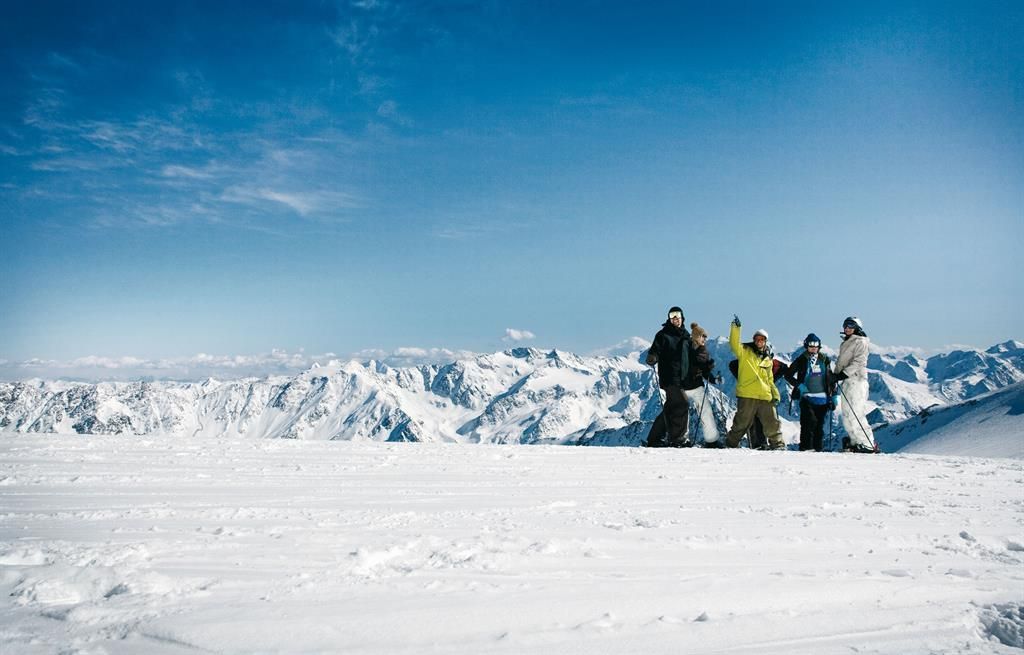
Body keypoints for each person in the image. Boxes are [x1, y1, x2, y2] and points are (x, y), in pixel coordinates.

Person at [724, 316, 785, 450]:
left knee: (772, 422)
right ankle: (730, 444)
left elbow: (769, 379)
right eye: (757, 339)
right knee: (741, 423)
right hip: (747, 394)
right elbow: (734, 343)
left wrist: (775, 394)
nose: (759, 341)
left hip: (765, 395)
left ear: (765, 341)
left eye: (762, 339)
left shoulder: (768, 359)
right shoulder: (745, 352)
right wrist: (736, 328)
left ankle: (778, 445)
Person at [643, 306, 692, 448]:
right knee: (682, 403)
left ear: (682, 318)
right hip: (669, 377)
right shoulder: (663, 335)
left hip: (682, 378)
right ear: (669, 319)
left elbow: (690, 356)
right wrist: (652, 357)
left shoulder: (686, 336)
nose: (675, 318)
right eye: (672, 316)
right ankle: (678, 439)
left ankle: (654, 439)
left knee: (670, 408)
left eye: (678, 315)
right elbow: (655, 350)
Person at [785, 333, 839, 452]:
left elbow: (830, 379)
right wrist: (799, 385)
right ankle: (806, 448)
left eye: (816, 345)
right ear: (806, 346)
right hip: (806, 398)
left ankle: (817, 450)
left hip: (823, 399)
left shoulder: (824, 360)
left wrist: (834, 395)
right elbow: (788, 375)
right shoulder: (801, 360)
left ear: (819, 346)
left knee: (819, 426)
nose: (813, 347)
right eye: (811, 345)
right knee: (808, 423)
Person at [833, 316, 876, 453]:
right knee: (847, 414)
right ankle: (855, 442)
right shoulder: (847, 342)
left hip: (857, 380)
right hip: (847, 381)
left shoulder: (860, 341)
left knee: (856, 412)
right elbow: (842, 362)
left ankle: (867, 443)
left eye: (851, 325)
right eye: (845, 325)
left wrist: (842, 374)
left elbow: (859, 362)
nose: (847, 328)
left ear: (857, 327)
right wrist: (835, 375)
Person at [683, 322, 721, 447]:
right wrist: (707, 365)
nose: (705, 339)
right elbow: (697, 362)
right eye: (703, 336)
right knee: (682, 413)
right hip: (685, 386)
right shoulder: (686, 347)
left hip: (695, 385)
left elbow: (704, 371)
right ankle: (681, 439)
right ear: (696, 336)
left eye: (705, 337)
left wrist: (713, 379)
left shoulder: (701, 350)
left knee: (705, 412)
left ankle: (712, 441)